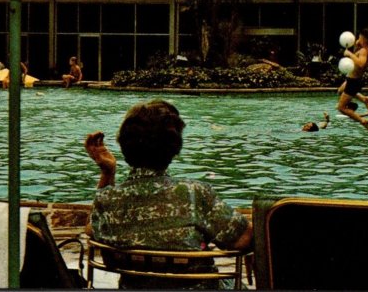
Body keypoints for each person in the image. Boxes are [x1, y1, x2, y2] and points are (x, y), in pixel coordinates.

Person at [84, 100, 252, 290]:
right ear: (174, 148)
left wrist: (107, 173)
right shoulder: (195, 194)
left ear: (124, 145)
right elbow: (243, 240)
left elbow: (91, 229)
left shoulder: (107, 199)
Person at [336, 27, 368, 132]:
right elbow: (358, 59)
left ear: (364, 38)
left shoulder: (364, 50)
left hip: (353, 81)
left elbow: (361, 64)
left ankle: (362, 120)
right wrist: (357, 47)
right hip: (353, 79)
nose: (357, 38)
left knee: (341, 108)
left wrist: (349, 54)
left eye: (359, 37)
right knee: (340, 91)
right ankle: (365, 99)